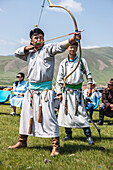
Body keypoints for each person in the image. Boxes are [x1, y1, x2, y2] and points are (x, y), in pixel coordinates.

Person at [8, 25, 81, 156]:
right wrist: (26, 48)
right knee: (25, 116)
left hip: (45, 92)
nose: (39, 39)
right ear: (31, 41)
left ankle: (56, 146)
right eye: (36, 38)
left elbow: (60, 46)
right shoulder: (29, 53)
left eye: (41, 37)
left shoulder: (48, 49)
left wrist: (72, 40)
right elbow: (16, 53)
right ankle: (22, 141)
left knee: (49, 118)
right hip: (30, 92)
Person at [56, 42, 94, 144]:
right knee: (66, 114)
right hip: (66, 93)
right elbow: (59, 79)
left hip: (78, 93)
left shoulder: (82, 61)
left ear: (77, 48)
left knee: (81, 114)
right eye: (70, 47)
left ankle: (88, 136)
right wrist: (59, 93)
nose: (72, 49)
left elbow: (88, 74)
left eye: (74, 47)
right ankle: (68, 134)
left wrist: (90, 87)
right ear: (67, 49)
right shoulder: (63, 63)